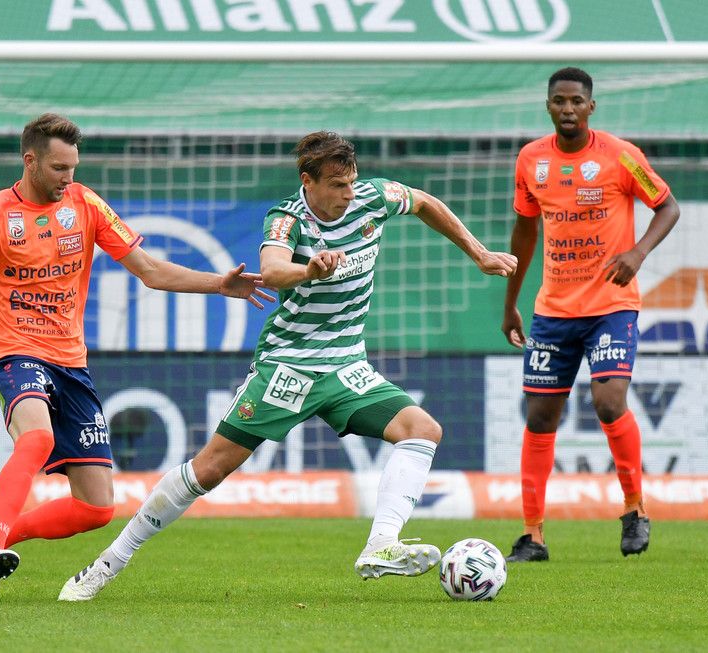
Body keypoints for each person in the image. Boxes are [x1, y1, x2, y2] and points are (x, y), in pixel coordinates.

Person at [57, 130, 519, 601]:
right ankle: (108, 563)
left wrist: (479, 252)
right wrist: (309, 270)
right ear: (308, 181)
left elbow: (423, 201)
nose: (348, 193)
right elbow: (274, 270)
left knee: (422, 430)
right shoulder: (287, 218)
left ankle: (381, 544)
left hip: (345, 364)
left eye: (351, 182)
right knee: (208, 470)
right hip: (288, 366)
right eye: (337, 185)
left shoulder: (373, 198)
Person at [0, 113, 273, 598]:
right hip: (12, 349)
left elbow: (150, 270)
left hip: (70, 359)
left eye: (73, 167)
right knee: (36, 439)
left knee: (96, 508)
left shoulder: (85, 203)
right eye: (58, 168)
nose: (68, 177)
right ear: (29, 161)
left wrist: (219, 284)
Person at [500, 68, 681, 562]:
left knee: (608, 401)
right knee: (540, 416)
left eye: (576, 101)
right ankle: (533, 536)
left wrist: (638, 253)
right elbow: (525, 232)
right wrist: (511, 302)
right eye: (559, 101)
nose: (568, 109)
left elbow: (667, 207)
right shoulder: (531, 160)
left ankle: (634, 507)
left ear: (590, 107)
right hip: (553, 310)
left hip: (610, 306)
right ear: (548, 106)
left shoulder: (621, 156)